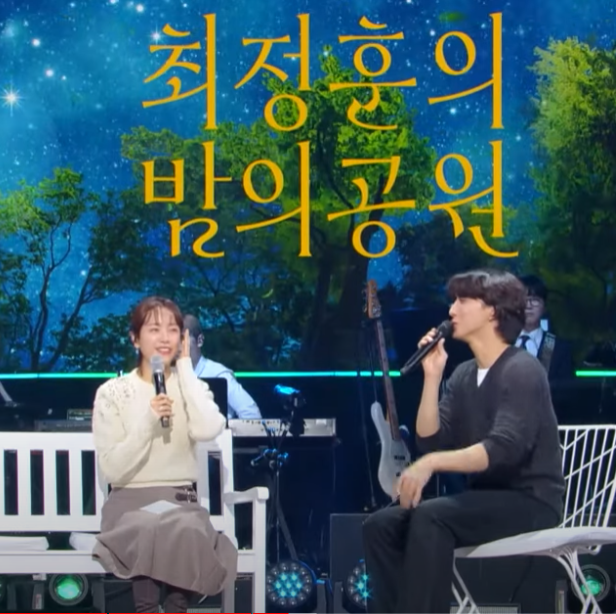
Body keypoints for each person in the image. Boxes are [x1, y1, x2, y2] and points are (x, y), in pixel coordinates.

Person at [362, 269, 565, 613]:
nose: (451, 310)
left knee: (432, 516)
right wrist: (432, 376)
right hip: (482, 500)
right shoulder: (464, 374)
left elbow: (502, 449)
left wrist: (430, 465)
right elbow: (430, 440)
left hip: (531, 502)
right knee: (380, 526)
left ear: (492, 311)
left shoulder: (522, 369)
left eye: (462, 300)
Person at [92, 296, 237, 612]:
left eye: (173, 330)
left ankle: (175, 608)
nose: (164, 338)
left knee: (185, 527)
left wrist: (184, 370)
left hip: (180, 502)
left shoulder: (192, 387)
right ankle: (146, 608)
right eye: (154, 329)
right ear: (135, 338)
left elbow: (209, 428)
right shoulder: (112, 393)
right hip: (129, 505)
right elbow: (113, 469)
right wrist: (148, 420)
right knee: (148, 524)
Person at [184, 314, 262, 419]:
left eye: (183, 339)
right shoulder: (170, 375)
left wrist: (228, 428)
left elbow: (252, 414)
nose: (179, 346)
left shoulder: (218, 374)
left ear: (200, 340)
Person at [517, 274, 574, 380]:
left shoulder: (559, 347)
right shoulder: (501, 343)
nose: (529, 306)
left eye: (535, 300)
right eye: (523, 300)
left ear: (544, 307)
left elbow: (566, 388)